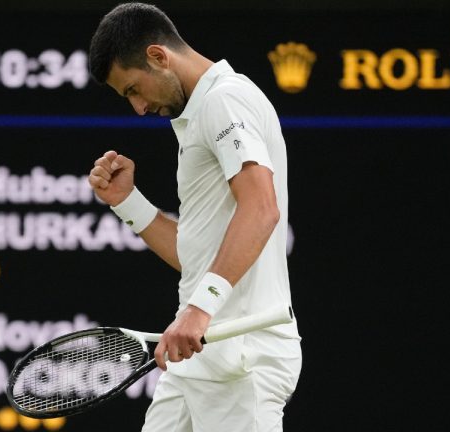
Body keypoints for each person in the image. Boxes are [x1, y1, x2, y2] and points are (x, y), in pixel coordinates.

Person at [85, 3, 301, 431]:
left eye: (133, 90)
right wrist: (128, 202)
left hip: (240, 360)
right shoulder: (198, 115)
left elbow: (261, 208)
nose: (139, 108)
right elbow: (199, 258)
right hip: (197, 360)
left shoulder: (225, 100)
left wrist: (199, 310)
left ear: (158, 57)